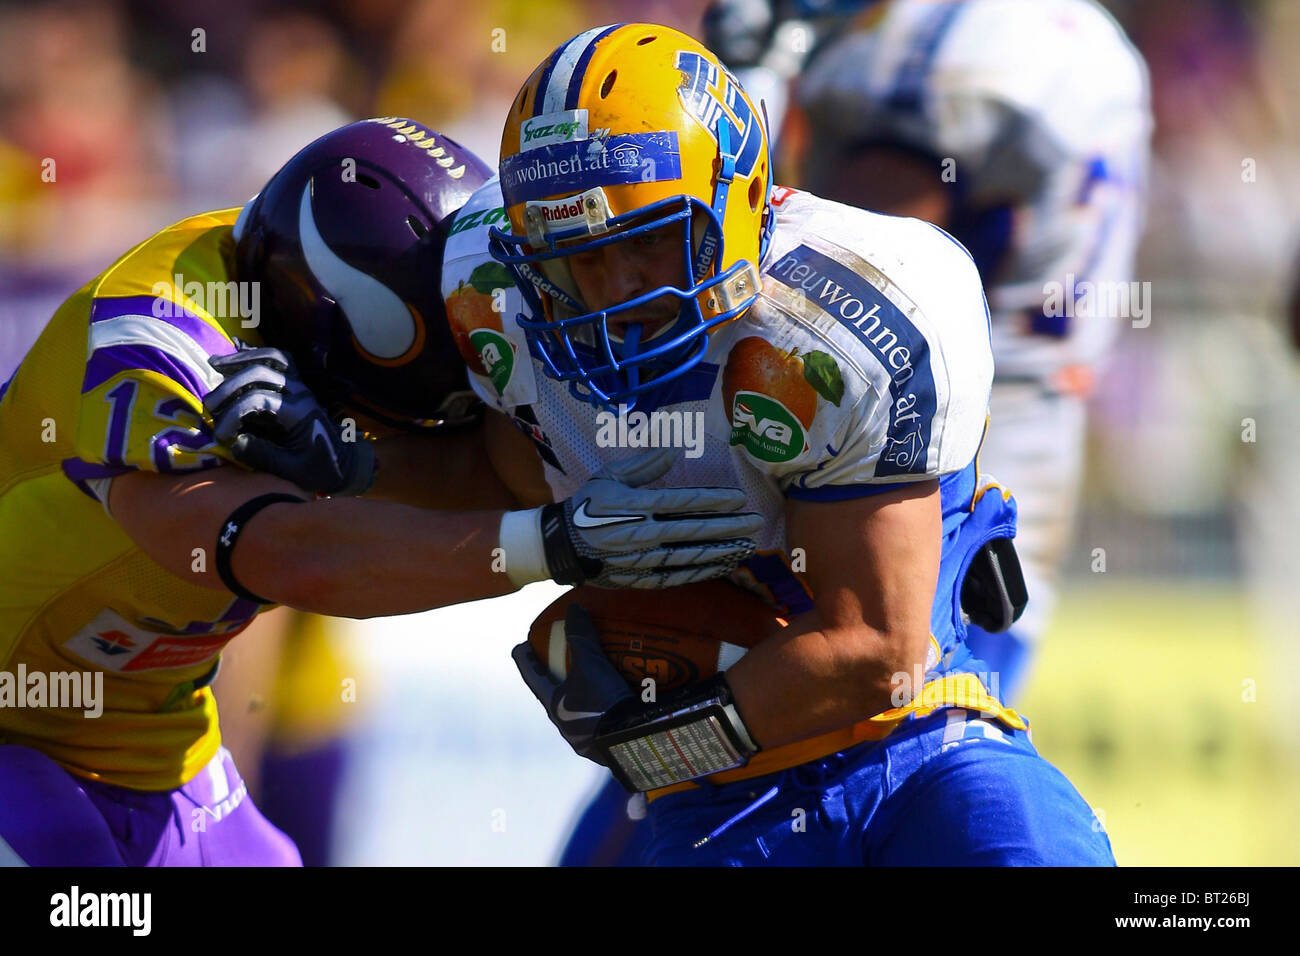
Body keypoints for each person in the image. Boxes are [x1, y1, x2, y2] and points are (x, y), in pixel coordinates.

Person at [0, 117, 759, 866]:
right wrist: (555, 543)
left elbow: (501, 471)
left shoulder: (303, 319)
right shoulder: (164, 341)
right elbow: (277, 552)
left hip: (150, 746)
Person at [443, 22, 1114, 864]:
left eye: (649, 242)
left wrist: (663, 744)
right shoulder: (484, 285)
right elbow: (432, 485)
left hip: (916, 742)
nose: (617, 294)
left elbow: (877, 645)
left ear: (737, 200)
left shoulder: (853, 312)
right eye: (579, 257)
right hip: (717, 797)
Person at [707, 0, 1152, 703]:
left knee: (710, 779)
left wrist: (748, 99)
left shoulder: (952, 46)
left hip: (885, 499)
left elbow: (851, 293)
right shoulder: (1090, 42)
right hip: (1003, 500)